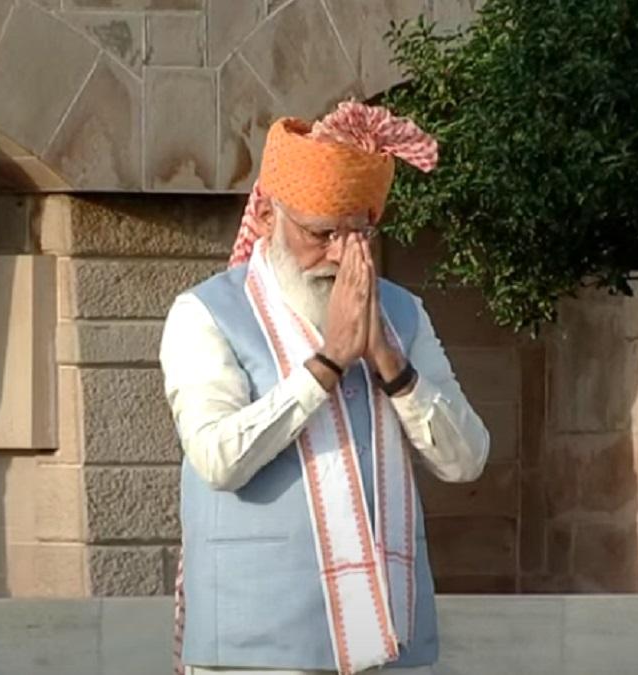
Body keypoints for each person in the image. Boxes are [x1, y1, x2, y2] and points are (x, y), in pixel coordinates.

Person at [159, 102, 491, 675]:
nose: (339, 254)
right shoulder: (205, 314)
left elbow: (468, 460)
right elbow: (217, 459)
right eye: (321, 233)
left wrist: (389, 362)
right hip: (254, 646)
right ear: (267, 217)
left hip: (388, 639)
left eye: (358, 233)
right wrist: (329, 362)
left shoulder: (402, 315)